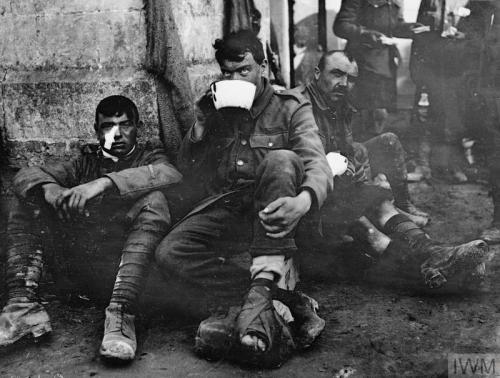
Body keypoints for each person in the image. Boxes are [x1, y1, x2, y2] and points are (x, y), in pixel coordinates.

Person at [154, 30, 332, 367]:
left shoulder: (290, 107)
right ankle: (284, 300)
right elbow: (188, 171)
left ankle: (254, 319)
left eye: (244, 70)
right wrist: (202, 123)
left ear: (263, 67)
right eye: (227, 72)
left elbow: (316, 163)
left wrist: (304, 201)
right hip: (229, 208)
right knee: (169, 253)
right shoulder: (220, 109)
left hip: (276, 212)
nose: (235, 78)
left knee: (281, 160)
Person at [0, 95, 182, 362]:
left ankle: (120, 317)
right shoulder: (84, 162)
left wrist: (102, 183)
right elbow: (27, 174)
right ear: (97, 131)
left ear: (138, 128)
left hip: (131, 277)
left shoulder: (150, 157)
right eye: (108, 126)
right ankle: (22, 308)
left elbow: (169, 174)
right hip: (82, 272)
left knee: (155, 200)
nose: (117, 134)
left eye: (125, 125)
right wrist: (50, 189)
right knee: (29, 196)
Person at [296, 50, 490, 288]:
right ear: (317, 73)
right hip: (306, 203)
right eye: (336, 74)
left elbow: (342, 151)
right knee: (370, 234)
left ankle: (435, 253)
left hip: (332, 190)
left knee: (378, 203)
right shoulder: (298, 106)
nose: (344, 84)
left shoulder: (337, 103)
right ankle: (436, 267)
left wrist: (352, 162)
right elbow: (297, 162)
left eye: (351, 78)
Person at [409, 0, 493, 182]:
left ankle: (456, 165)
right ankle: (424, 165)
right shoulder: (431, 1)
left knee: (458, 118)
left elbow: (484, 36)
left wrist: (465, 39)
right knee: (428, 115)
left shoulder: (478, 3)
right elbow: (419, 33)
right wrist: (416, 71)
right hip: (433, 66)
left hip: (462, 68)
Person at [333, 0, 428, 137]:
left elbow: (395, 25)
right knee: (368, 114)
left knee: (381, 116)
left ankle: (374, 149)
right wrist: (366, 34)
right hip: (363, 63)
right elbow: (341, 26)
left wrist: (410, 28)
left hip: (386, 64)